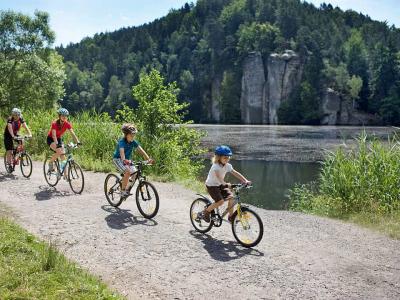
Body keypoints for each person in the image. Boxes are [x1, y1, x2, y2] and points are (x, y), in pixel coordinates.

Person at [199, 145, 251, 223]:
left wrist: (245, 180)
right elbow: (219, 178)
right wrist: (225, 184)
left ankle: (230, 217)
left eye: (228, 157)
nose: (227, 159)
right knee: (220, 201)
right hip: (212, 185)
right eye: (225, 158)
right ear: (218, 157)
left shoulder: (227, 166)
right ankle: (206, 212)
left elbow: (235, 173)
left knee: (232, 198)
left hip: (220, 185)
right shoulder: (215, 166)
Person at [113, 123, 154, 199]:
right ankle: (122, 191)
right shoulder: (122, 142)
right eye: (131, 135)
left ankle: (126, 187)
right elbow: (122, 153)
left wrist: (148, 159)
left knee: (135, 173)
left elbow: (141, 150)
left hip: (127, 160)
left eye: (134, 135)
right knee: (128, 172)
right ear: (126, 135)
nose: (133, 136)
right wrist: (124, 161)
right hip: (118, 159)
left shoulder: (133, 142)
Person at [47, 108, 80, 173]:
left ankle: (65, 175)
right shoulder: (54, 123)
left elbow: (73, 133)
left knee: (63, 156)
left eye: (66, 116)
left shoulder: (67, 124)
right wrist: (57, 144)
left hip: (58, 138)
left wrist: (78, 142)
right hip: (51, 139)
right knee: (59, 151)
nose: (64, 117)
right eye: (63, 115)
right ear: (59, 116)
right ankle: (50, 162)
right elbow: (54, 135)